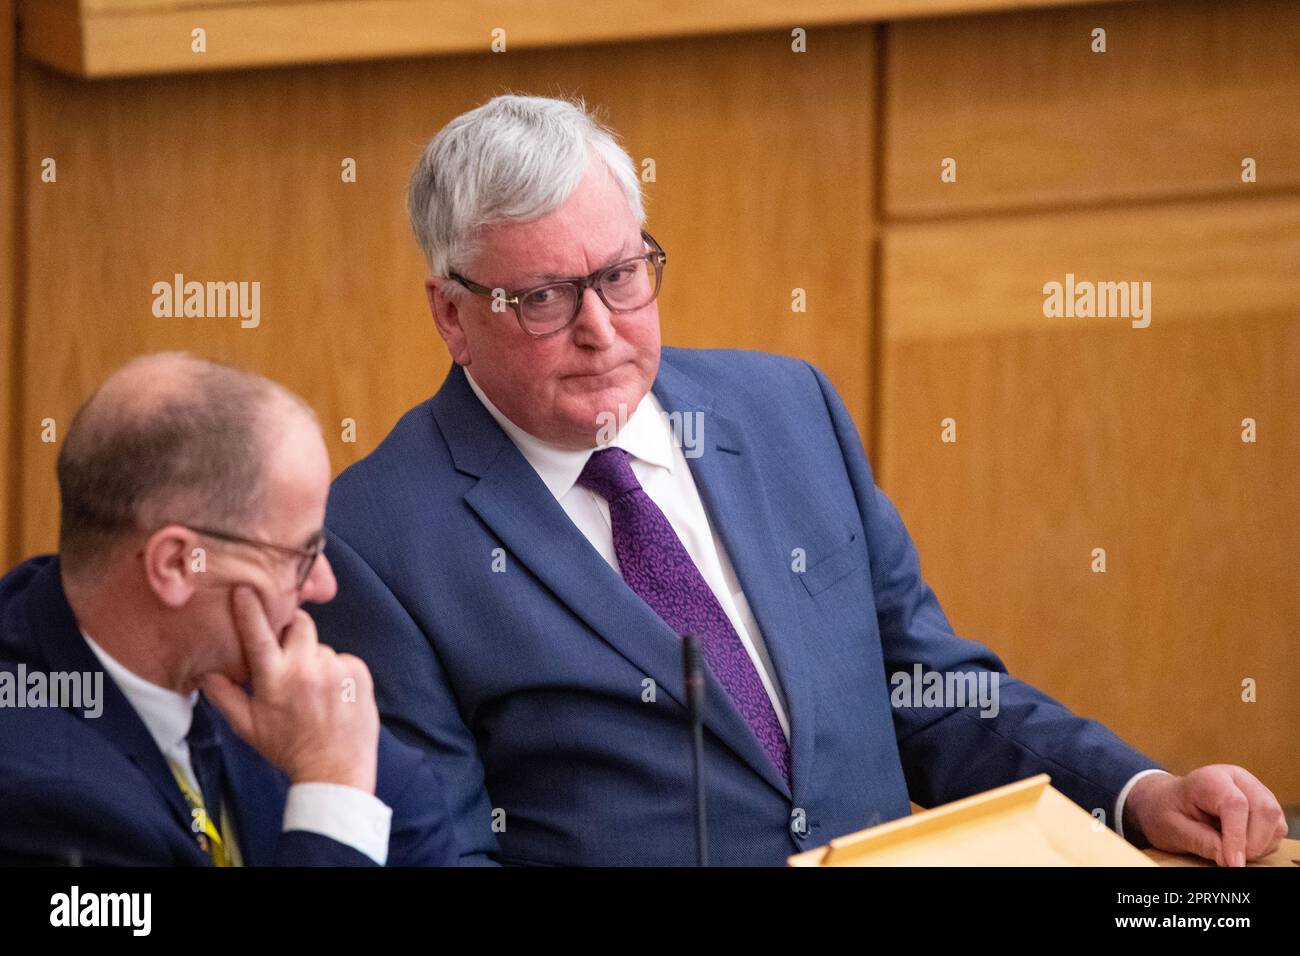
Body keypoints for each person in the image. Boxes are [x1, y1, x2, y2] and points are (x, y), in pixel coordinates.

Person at [310, 94, 1287, 866]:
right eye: (541, 297)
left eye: (619, 275)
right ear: (450, 312)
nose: (599, 327)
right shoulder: (375, 537)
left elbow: (927, 689)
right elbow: (442, 853)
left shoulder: (786, 409)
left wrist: (1134, 790)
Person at [0, 353, 455, 866]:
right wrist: (331, 791)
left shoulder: (237, 669)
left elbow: (414, 821)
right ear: (176, 564)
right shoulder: (43, 799)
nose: (324, 585)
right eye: (300, 553)